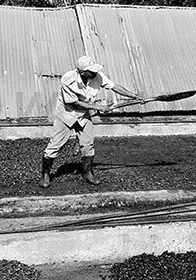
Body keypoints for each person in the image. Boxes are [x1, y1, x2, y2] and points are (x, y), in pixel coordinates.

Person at [39, 55, 144, 188]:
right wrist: (99, 107)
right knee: (56, 145)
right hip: (66, 114)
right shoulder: (68, 80)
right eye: (91, 70)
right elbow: (76, 104)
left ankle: (87, 172)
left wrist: (134, 96)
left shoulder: (96, 76)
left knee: (88, 144)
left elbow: (114, 86)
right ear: (82, 72)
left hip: (83, 115)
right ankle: (45, 174)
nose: (95, 72)